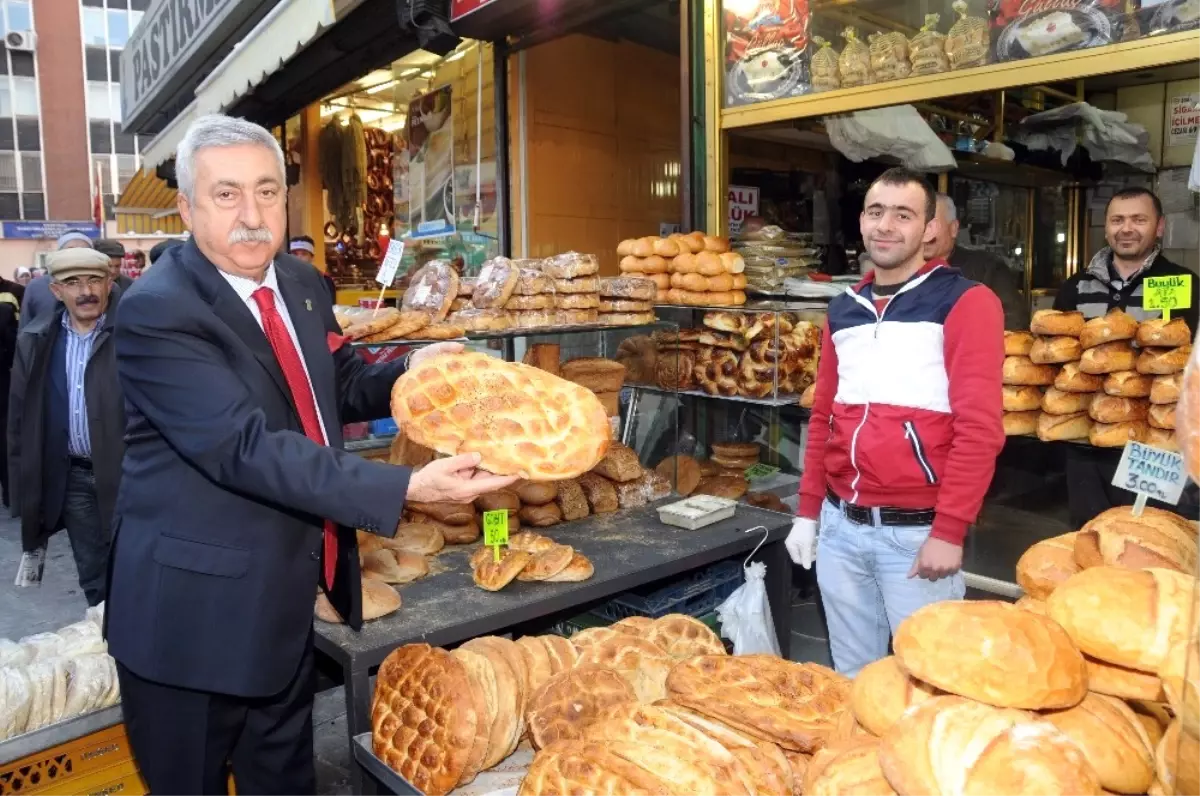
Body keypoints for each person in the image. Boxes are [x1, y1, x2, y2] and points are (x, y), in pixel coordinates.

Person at [105, 114, 518, 796]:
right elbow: (243, 447)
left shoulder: (299, 283)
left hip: (285, 603)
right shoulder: (158, 310)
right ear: (185, 208)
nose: (251, 214)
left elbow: (340, 381)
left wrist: (416, 367)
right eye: (226, 194)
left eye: (267, 192)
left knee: (287, 781)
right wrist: (407, 486)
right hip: (190, 625)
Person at [785, 167, 1006, 678]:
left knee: (928, 683)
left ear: (929, 229)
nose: (886, 225)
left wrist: (949, 530)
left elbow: (980, 430)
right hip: (841, 530)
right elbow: (823, 417)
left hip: (915, 537)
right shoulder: (844, 309)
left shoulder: (967, 303)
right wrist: (809, 512)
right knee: (855, 679)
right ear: (861, 221)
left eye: (903, 214)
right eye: (876, 212)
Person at [1053, 187, 1200, 527]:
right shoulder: (1075, 287)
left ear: (1159, 227)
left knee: (1149, 535)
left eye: (1139, 219)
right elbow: (1059, 367)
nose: (1127, 228)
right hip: (1086, 442)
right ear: (1106, 227)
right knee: (1090, 534)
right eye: (1117, 220)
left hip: (1156, 447)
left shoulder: (1184, 284)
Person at [7, 248, 124, 605]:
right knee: (94, 577)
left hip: (129, 476)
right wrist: (23, 489)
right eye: (73, 283)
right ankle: (105, 652)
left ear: (109, 283)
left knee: (137, 571)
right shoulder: (36, 339)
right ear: (56, 291)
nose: (84, 291)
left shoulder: (135, 333)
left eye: (93, 280)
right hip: (72, 478)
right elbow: (19, 419)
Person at [925, 193, 1030, 331]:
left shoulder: (988, 269)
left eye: (933, 225)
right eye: (920, 224)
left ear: (953, 229)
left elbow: (1014, 323)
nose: (925, 233)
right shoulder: (898, 270)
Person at [20, 232, 97, 330]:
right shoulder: (36, 286)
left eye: (83, 251)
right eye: (70, 251)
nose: (77, 256)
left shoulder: (104, 286)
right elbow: (25, 328)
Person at [289, 235, 337, 304]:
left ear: (312, 257)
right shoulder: (282, 280)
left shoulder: (325, 280)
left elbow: (330, 308)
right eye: (295, 254)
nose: (298, 258)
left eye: (304, 254)